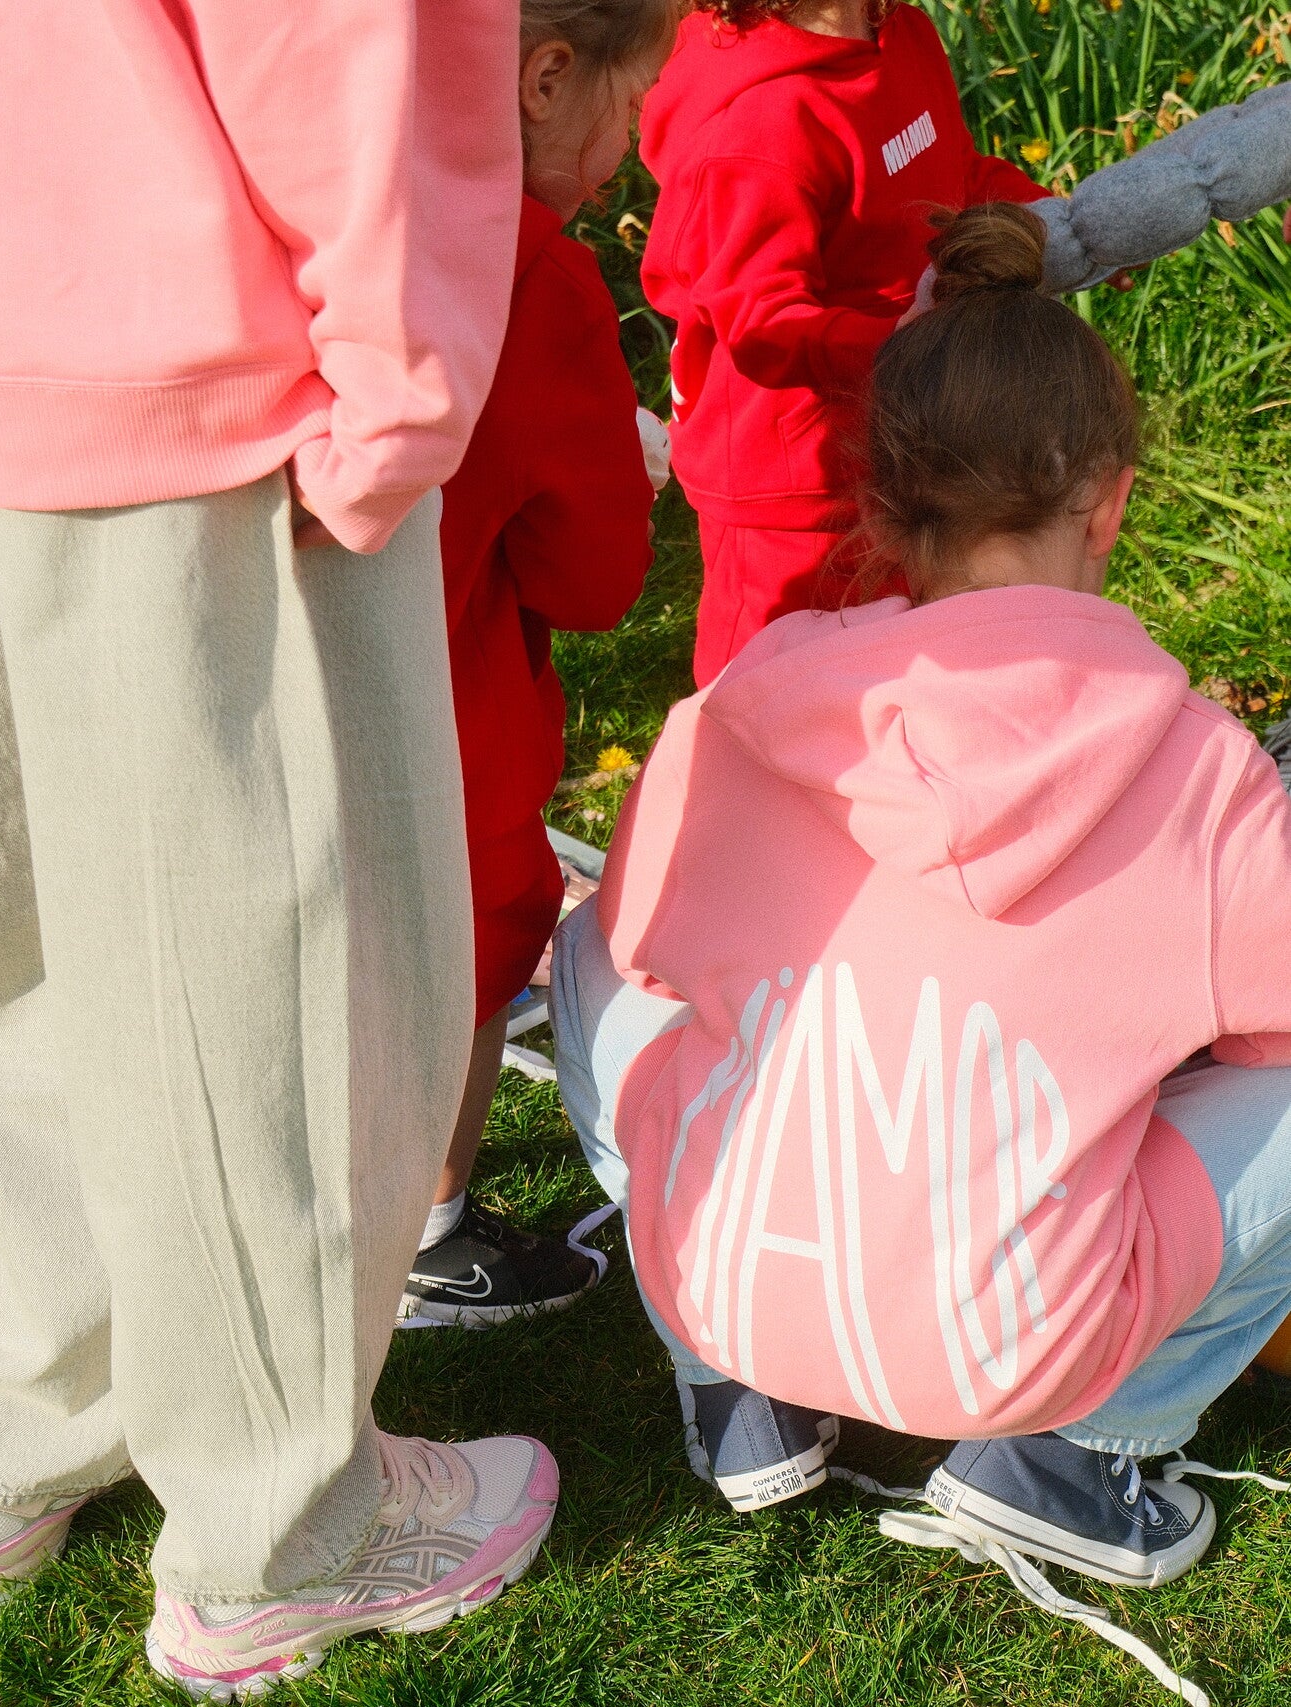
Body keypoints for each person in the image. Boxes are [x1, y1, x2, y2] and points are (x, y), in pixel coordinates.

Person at [0, 0, 559, 1702]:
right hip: (206, 363)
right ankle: (281, 1530)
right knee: (274, 972)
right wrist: (397, 395)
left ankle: (16, 1420)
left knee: (45, 926)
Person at [552, 203, 1291, 1585]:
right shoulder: (1200, 767)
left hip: (725, 1266)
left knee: (588, 955)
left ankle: (732, 1381)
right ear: (1112, 502)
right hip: (1023, 1340)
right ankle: (1085, 1455)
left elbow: (641, 952)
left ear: (879, 508)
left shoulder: (740, 706)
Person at [400, 0, 674, 1330]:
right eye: (632, 108)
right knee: (471, 936)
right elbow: (593, 578)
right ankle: (427, 1230)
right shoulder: (531, 280)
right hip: (446, 717)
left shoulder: (332, 224)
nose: (633, 149)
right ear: (545, 77)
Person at [637, 0, 1048, 688]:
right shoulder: (759, 124)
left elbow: (954, 174)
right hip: (793, 489)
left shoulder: (900, 31)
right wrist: (903, 340)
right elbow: (757, 318)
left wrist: (1053, 224)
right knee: (773, 699)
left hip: (902, 427)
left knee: (904, 668)